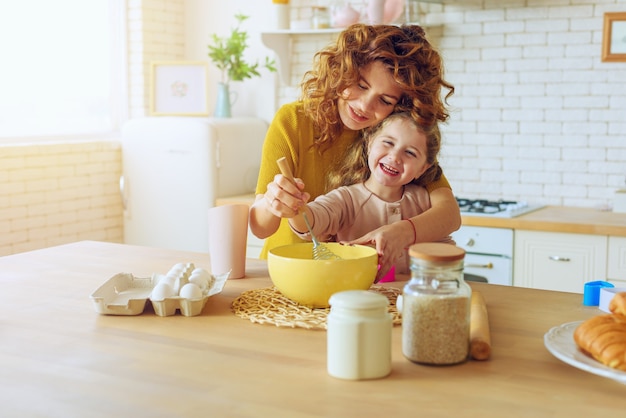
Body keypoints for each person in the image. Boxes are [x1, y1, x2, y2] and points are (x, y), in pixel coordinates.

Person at [249, 23, 461, 278]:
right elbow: (260, 228)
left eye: (385, 100)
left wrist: (401, 231)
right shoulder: (293, 121)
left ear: (401, 106)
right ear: (343, 71)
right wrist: (275, 201)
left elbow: (449, 215)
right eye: (361, 85)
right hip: (289, 271)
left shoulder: (391, 141)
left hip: (352, 278)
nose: (364, 105)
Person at [287, 112, 453, 278]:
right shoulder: (346, 199)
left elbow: (446, 253)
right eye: (388, 143)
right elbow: (312, 220)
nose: (395, 157)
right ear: (369, 142)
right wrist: (294, 206)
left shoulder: (424, 203)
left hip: (410, 299)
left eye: (410, 153)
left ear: (422, 168)